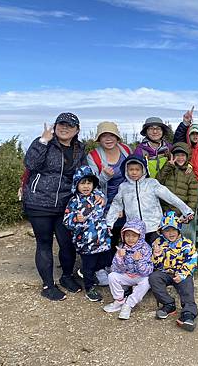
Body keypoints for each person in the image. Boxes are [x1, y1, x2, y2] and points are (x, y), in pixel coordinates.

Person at [23, 112, 87, 301]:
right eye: (61, 124)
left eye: (70, 125)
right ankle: (48, 285)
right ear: (55, 125)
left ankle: (67, 277)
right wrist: (43, 140)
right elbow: (30, 163)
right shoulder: (44, 143)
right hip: (39, 202)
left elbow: (83, 174)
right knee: (44, 243)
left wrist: (95, 195)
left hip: (65, 203)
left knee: (67, 243)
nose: (64, 128)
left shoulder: (79, 149)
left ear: (77, 130)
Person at [106, 154, 194, 244]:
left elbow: (171, 197)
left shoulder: (152, 183)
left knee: (156, 253)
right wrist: (109, 223)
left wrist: (186, 211)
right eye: (131, 170)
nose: (134, 172)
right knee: (139, 256)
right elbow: (116, 205)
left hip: (154, 228)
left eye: (137, 169)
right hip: (135, 230)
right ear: (126, 170)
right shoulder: (123, 187)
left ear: (143, 170)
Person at [86, 121, 131, 285]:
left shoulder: (126, 150)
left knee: (123, 234)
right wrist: (104, 176)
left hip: (125, 200)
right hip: (103, 202)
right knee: (105, 235)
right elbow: (91, 183)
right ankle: (101, 268)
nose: (108, 139)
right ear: (99, 138)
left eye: (111, 135)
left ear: (117, 137)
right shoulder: (93, 156)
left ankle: (116, 266)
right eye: (104, 136)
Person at [63, 166, 111, 302]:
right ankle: (89, 288)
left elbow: (105, 210)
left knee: (105, 261)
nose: (86, 186)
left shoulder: (98, 197)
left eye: (89, 183)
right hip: (85, 242)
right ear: (76, 184)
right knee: (89, 265)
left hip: (102, 239)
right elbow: (66, 221)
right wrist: (75, 219)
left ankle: (85, 272)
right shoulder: (73, 202)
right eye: (82, 183)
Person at [150, 211, 198, 331]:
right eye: (167, 230)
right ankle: (169, 304)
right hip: (165, 272)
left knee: (187, 284)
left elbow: (192, 260)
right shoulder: (158, 243)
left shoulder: (186, 244)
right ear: (162, 232)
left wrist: (182, 274)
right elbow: (155, 264)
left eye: (173, 230)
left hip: (181, 273)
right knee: (153, 278)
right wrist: (156, 256)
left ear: (179, 230)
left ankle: (188, 314)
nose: (170, 233)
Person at [103, 219, 153, 320]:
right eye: (127, 235)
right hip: (126, 275)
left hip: (140, 276)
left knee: (147, 281)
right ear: (123, 235)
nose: (130, 239)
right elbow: (116, 269)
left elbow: (147, 271)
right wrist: (119, 258)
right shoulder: (121, 247)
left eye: (134, 236)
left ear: (141, 236)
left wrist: (139, 261)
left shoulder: (146, 248)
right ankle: (119, 301)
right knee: (112, 276)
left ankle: (129, 304)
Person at [156, 143, 198, 241]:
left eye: (183, 155)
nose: (180, 158)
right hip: (164, 213)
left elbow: (193, 196)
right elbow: (156, 183)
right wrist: (168, 166)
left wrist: (188, 214)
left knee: (179, 241)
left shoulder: (189, 174)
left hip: (180, 215)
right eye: (177, 155)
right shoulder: (168, 169)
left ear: (187, 157)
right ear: (172, 156)